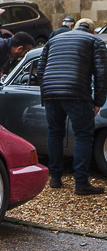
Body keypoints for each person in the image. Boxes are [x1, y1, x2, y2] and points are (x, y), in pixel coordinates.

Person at [38, 18, 107, 195]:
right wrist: (98, 101)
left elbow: (41, 69)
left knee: (54, 132)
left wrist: (45, 92)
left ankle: (55, 178)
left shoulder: (53, 40)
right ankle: (82, 183)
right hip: (76, 91)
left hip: (51, 92)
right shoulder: (95, 41)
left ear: (74, 28)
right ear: (92, 31)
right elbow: (101, 73)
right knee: (84, 135)